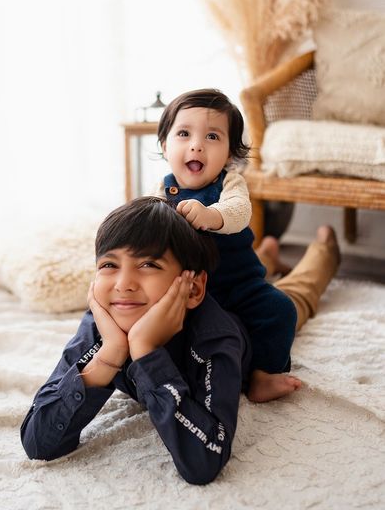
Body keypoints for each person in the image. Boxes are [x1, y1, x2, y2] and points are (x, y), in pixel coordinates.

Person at [20, 197, 340, 484]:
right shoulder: (104, 323)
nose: (124, 284)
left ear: (195, 288)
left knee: (294, 296)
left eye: (148, 264)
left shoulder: (215, 338)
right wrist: (110, 354)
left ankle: (323, 252)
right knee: (252, 270)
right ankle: (267, 255)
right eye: (109, 265)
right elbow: (38, 443)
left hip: (242, 322)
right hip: (195, 294)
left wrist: (145, 352)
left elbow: (204, 460)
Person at [153, 88, 300, 401]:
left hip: (241, 284)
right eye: (183, 133)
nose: (196, 145)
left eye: (212, 137)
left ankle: (263, 375)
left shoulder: (229, 183)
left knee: (282, 310)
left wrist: (210, 215)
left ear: (231, 153)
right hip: (194, 293)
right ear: (166, 146)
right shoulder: (161, 193)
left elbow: (239, 211)